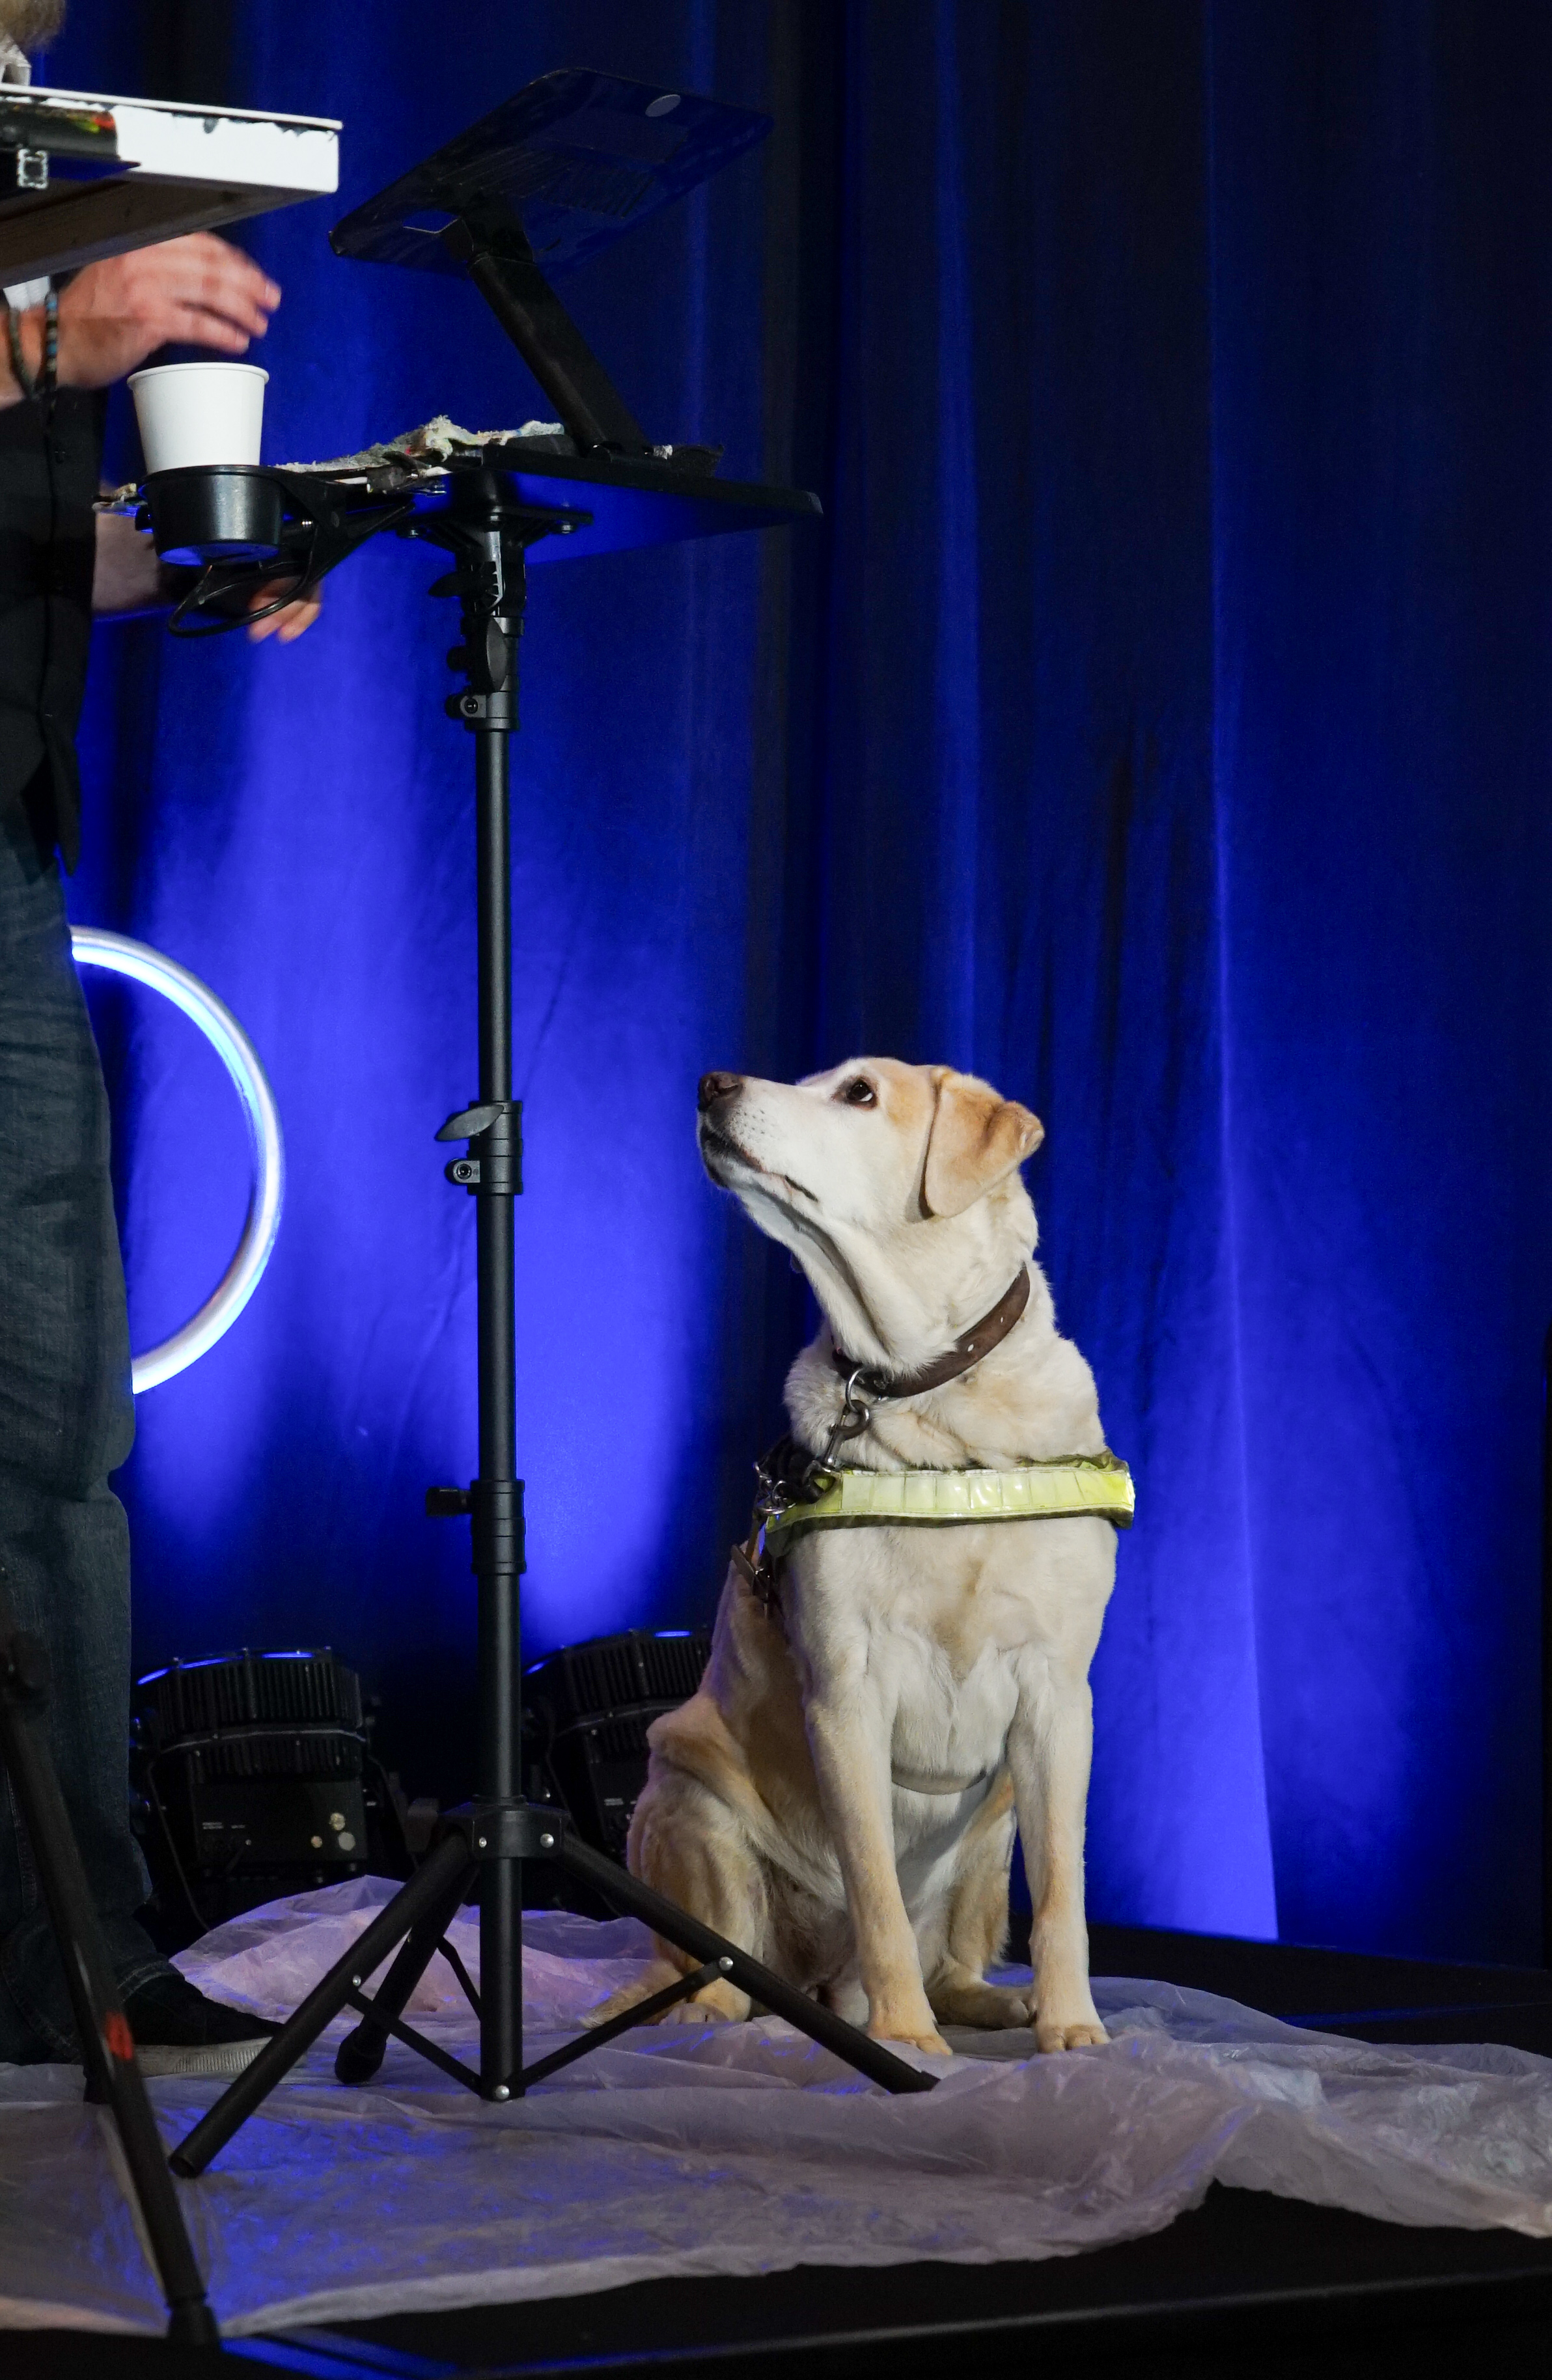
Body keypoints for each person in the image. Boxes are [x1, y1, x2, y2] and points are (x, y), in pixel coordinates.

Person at [0, 5, 320, 2070]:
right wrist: (53, 338)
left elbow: (36, 548)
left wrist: (217, 549)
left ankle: (73, 1961)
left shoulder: (37, 148)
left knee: (56, 1435)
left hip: (7, 843)